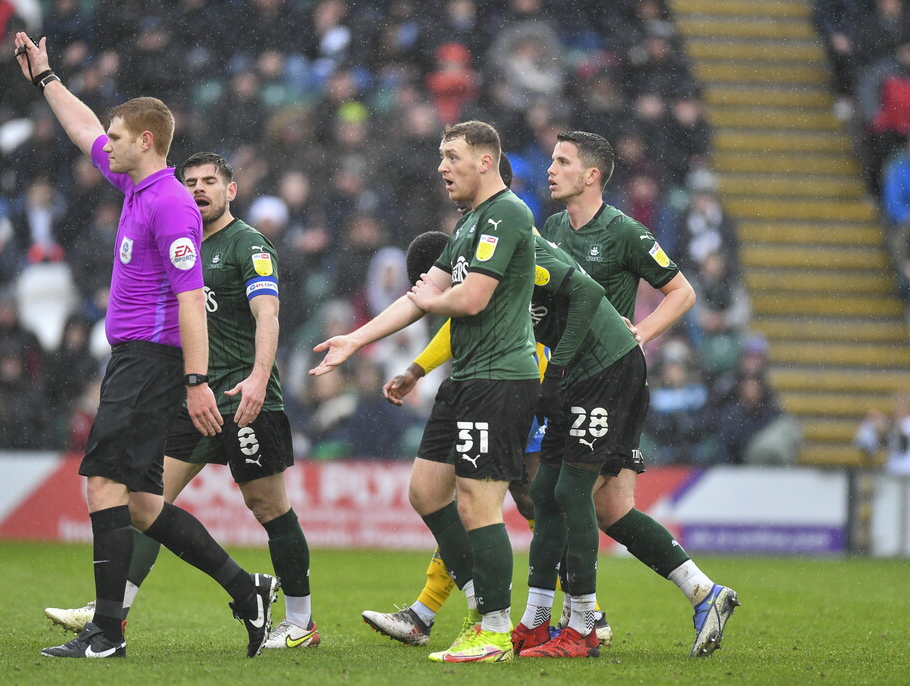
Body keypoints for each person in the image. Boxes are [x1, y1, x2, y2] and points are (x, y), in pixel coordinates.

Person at [13, 33, 276, 659]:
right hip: (134, 358)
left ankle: (106, 633)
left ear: (147, 141)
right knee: (140, 504)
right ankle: (248, 589)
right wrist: (45, 78)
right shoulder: (134, 183)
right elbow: (82, 130)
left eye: (119, 133)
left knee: (102, 485)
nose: (109, 140)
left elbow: (191, 301)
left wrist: (195, 380)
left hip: (151, 360)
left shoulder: (172, 207)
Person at [42, 152, 319, 649]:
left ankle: (301, 621)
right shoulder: (177, 240)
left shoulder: (249, 244)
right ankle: (112, 610)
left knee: (268, 506)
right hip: (195, 397)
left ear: (230, 190)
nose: (198, 190)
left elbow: (268, 314)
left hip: (245, 397)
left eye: (210, 182)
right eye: (189, 182)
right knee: (148, 502)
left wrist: (259, 378)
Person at [310, 120, 539, 663]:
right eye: (440, 155)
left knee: (479, 502)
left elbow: (472, 298)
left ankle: (495, 629)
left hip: (500, 379)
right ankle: (484, 601)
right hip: (466, 379)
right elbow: (421, 295)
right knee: (426, 492)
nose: (442, 166)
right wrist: (356, 340)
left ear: (486, 161)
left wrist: (430, 300)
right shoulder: (466, 225)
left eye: (453, 156)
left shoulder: (509, 213)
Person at [537, 130, 738, 657]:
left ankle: (583, 619)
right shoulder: (553, 228)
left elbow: (683, 292)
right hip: (571, 378)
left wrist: (642, 333)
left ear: (592, 175)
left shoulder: (624, 231)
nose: (551, 169)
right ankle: (704, 592)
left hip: (608, 379)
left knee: (564, 493)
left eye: (562, 162)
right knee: (610, 508)